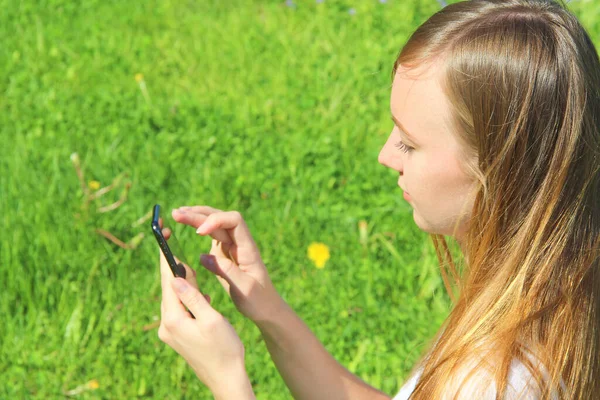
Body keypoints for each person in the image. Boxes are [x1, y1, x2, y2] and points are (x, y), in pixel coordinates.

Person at [156, 0, 600, 398]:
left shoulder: (498, 381)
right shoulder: (541, 298)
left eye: (409, 142)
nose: (386, 156)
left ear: (499, 167)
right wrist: (268, 309)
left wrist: (228, 379)